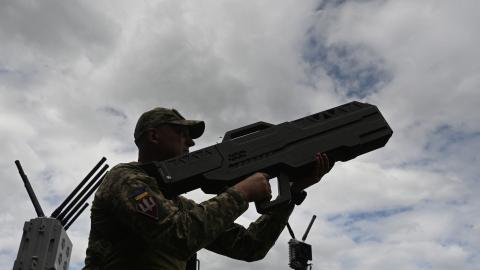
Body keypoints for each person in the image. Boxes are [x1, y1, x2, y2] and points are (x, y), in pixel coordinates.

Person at [83, 107, 333, 270]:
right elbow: (178, 236)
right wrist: (241, 192)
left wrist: (290, 191)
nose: (190, 142)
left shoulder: (178, 205)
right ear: (154, 136)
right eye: (181, 132)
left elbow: (250, 246)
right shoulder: (124, 179)